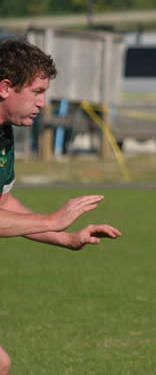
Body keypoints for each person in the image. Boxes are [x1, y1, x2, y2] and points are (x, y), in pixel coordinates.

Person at [0, 39, 122, 375]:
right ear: (5, 87)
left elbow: (4, 206)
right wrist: (52, 220)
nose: (43, 103)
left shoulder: (4, 136)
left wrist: (65, 237)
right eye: (37, 92)